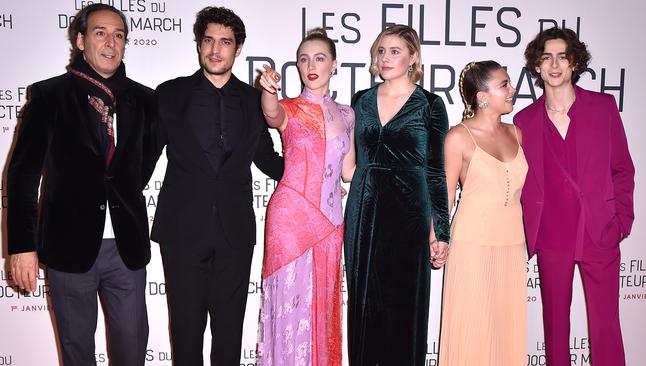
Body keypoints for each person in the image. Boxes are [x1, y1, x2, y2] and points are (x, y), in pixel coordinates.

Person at [7, 4, 153, 365]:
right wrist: (22, 246)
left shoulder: (145, 100)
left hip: (126, 248)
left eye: (119, 35)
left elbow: (140, 167)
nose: (111, 42)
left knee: (133, 351)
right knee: (76, 354)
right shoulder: (49, 95)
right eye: (101, 32)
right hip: (67, 247)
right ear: (80, 39)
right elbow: (23, 174)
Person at [149, 6, 283, 365]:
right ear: (198, 44)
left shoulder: (255, 102)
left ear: (237, 49)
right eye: (208, 40)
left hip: (234, 233)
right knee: (185, 332)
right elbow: (144, 159)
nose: (215, 49)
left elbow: (268, 161)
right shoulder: (169, 94)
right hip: (181, 231)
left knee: (229, 334)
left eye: (225, 42)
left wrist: (318, 177)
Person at [515, 27, 634, 366]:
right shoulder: (524, 121)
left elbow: (623, 169)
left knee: (606, 326)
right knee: (554, 329)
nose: (554, 65)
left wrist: (621, 221)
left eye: (562, 57)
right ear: (537, 66)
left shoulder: (602, 107)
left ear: (574, 63)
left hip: (600, 231)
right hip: (552, 236)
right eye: (546, 57)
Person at [343, 24, 450, 365]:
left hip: (409, 213)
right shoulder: (360, 100)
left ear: (413, 57)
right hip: (365, 209)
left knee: (405, 306)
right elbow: (348, 163)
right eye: (381, 51)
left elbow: (436, 171)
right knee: (365, 305)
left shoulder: (430, 105)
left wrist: (440, 231)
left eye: (395, 51)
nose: (385, 58)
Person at [256, 28, 355, 366]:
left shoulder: (348, 114)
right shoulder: (289, 108)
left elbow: (349, 172)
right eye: (303, 59)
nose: (311, 65)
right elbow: (271, 113)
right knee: (290, 301)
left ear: (335, 64)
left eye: (319, 57)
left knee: (323, 305)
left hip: (330, 221)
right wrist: (267, 90)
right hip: (291, 217)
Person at [438, 61, 527, 365]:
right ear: (482, 97)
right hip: (471, 246)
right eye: (504, 85)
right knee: (471, 330)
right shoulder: (458, 137)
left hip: (513, 245)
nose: (513, 90)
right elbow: (445, 197)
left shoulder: (517, 133)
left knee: (506, 334)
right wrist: (437, 239)